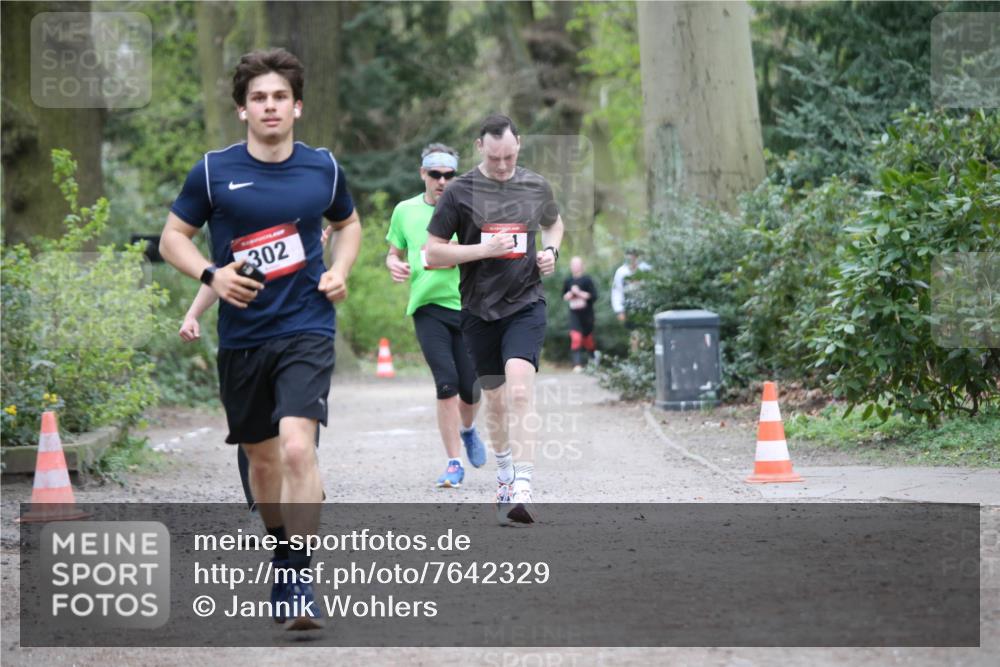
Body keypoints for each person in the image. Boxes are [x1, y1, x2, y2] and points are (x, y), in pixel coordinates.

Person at [159, 48, 361, 631]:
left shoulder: (322, 168)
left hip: (306, 325)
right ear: (243, 110)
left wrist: (340, 270)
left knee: (299, 447)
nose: (269, 106)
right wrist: (210, 275)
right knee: (262, 458)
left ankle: (300, 577)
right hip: (244, 336)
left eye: (279, 97)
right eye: (258, 98)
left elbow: (348, 225)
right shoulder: (212, 170)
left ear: (296, 107)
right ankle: (281, 547)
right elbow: (175, 235)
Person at [425, 113, 564, 525]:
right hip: (478, 311)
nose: (503, 166)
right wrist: (482, 251)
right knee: (497, 401)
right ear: (479, 147)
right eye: (495, 157)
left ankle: (523, 485)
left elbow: (555, 225)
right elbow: (433, 253)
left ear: (518, 145)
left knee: (520, 393)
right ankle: (503, 471)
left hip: (525, 305)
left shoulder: (536, 185)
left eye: (509, 156)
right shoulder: (460, 192)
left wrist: (551, 253)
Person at [384, 143, 488, 488]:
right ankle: (453, 462)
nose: (441, 181)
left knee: (470, 390)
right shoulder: (405, 211)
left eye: (448, 175)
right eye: (435, 174)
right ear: (422, 174)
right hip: (428, 308)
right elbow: (394, 251)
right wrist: (394, 264)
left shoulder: (470, 209)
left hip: (469, 307)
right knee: (446, 385)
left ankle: (469, 429)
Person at [562, 256, 598, 372]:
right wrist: (569, 294)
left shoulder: (587, 279)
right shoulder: (568, 281)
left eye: (577, 264)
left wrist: (579, 292)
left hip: (587, 315)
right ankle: (577, 364)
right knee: (576, 338)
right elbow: (564, 296)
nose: (575, 267)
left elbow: (593, 296)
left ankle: (593, 359)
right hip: (574, 314)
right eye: (573, 265)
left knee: (588, 340)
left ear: (582, 266)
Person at [611, 247, 650, 353]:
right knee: (634, 335)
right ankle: (635, 358)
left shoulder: (646, 269)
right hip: (630, 308)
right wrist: (619, 310)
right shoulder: (621, 272)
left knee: (645, 336)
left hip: (645, 307)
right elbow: (616, 292)